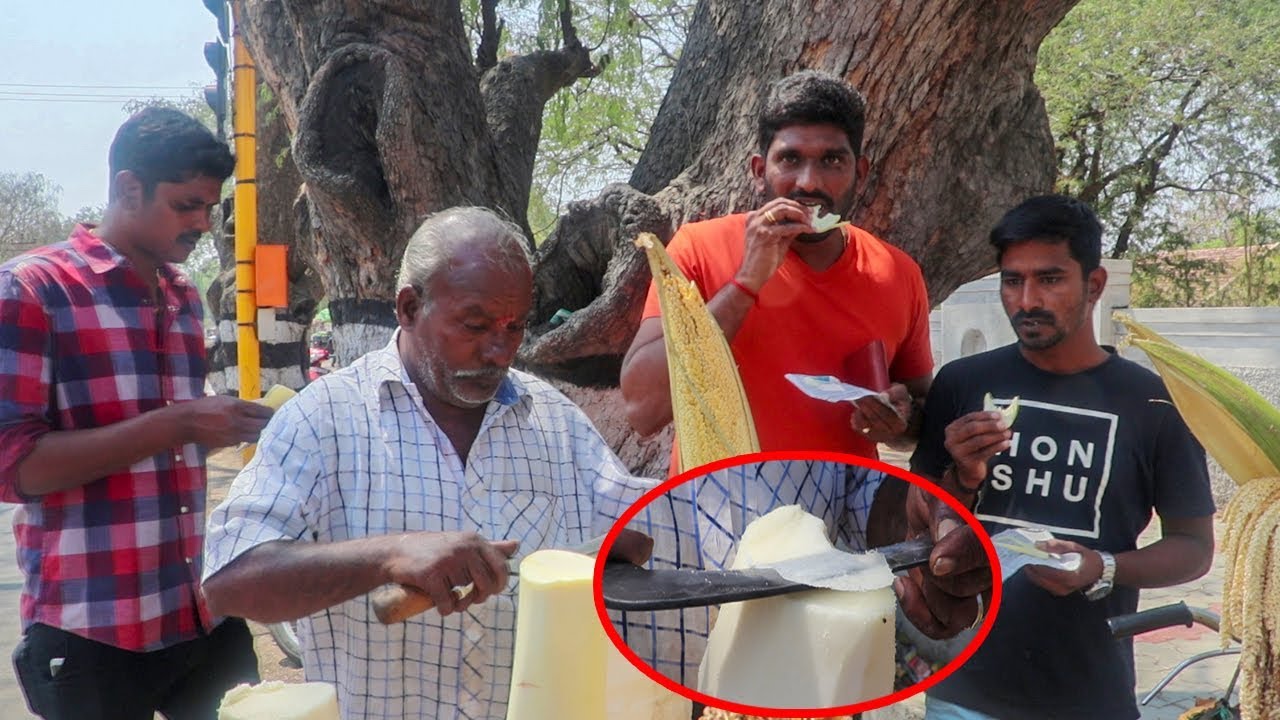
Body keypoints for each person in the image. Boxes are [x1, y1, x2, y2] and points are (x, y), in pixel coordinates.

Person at [201, 207, 657, 720]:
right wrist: (389, 555)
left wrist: (626, 545)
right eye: (476, 324)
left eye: (516, 326)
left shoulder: (556, 423)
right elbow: (229, 579)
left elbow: (642, 537)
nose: (500, 350)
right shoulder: (323, 419)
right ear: (409, 307)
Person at [0, 107, 274, 720]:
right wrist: (178, 424)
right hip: (92, 632)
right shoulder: (33, 290)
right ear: (128, 188)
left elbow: (162, 453)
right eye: (187, 205)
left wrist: (216, 429)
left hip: (201, 614)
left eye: (211, 206)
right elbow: (12, 467)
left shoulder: (182, 297)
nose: (203, 222)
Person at [910, 195, 1216, 719]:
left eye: (1050, 279)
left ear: (1094, 285)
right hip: (963, 690)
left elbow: (1194, 548)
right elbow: (918, 512)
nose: (1027, 300)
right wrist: (962, 477)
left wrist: (1103, 567)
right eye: (1013, 280)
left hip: (1087, 692)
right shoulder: (964, 383)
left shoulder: (1151, 404)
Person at [620, 70, 935, 465]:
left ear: (861, 172)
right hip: (720, 514)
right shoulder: (698, 248)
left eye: (832, 160)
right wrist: (746, 281)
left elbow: (921, 421)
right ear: (758, 171)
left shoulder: (898, 273)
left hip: (841, 520)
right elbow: (643, 410)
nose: (808, 183)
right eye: (789, 159)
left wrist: (902, 421)